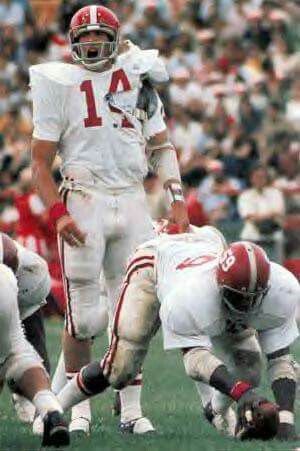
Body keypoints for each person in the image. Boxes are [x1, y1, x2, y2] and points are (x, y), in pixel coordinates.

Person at [30, 4, 189, 435]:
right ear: (73, 41)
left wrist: (176, 197)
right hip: (84, 196)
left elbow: (161, 145)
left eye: (101, 36)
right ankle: (79, 412)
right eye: (86, 37)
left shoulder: (138, 74)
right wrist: (59, 215)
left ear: (114, 39)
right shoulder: (57, 82)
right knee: (83, 315)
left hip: (134, 196)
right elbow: (40, 164)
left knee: (133, 312)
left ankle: (131, 409)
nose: (93, 43)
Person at [56, 227, 299, 441]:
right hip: (153, 267)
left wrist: (286, 422)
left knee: (250, 368)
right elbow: (195, 360)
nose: (246, 306)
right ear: (219, 285)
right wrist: (241, 392)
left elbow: (279, 358)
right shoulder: (192, 296)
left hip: (199, 255)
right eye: (238, 298)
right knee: (120, 369)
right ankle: (54, 409)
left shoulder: (284, 289)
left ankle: (216, 410)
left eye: (253, 299)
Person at [0, 232, 69, 447]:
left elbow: (8, 251)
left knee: (10, 355)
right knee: (18, 355)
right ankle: (50, 410)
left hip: (22, 275)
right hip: (10, 278)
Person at [238, 164, 285, 263]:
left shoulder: (275, 193)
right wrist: (270, 214)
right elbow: (249, 217)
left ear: (267, 178)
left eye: (263, 177)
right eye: (257, 177)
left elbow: (279, 212)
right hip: (252, 238)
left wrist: (258, 216)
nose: (260, 179)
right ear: (251, 178)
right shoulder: (245, 195)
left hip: (273, 237)